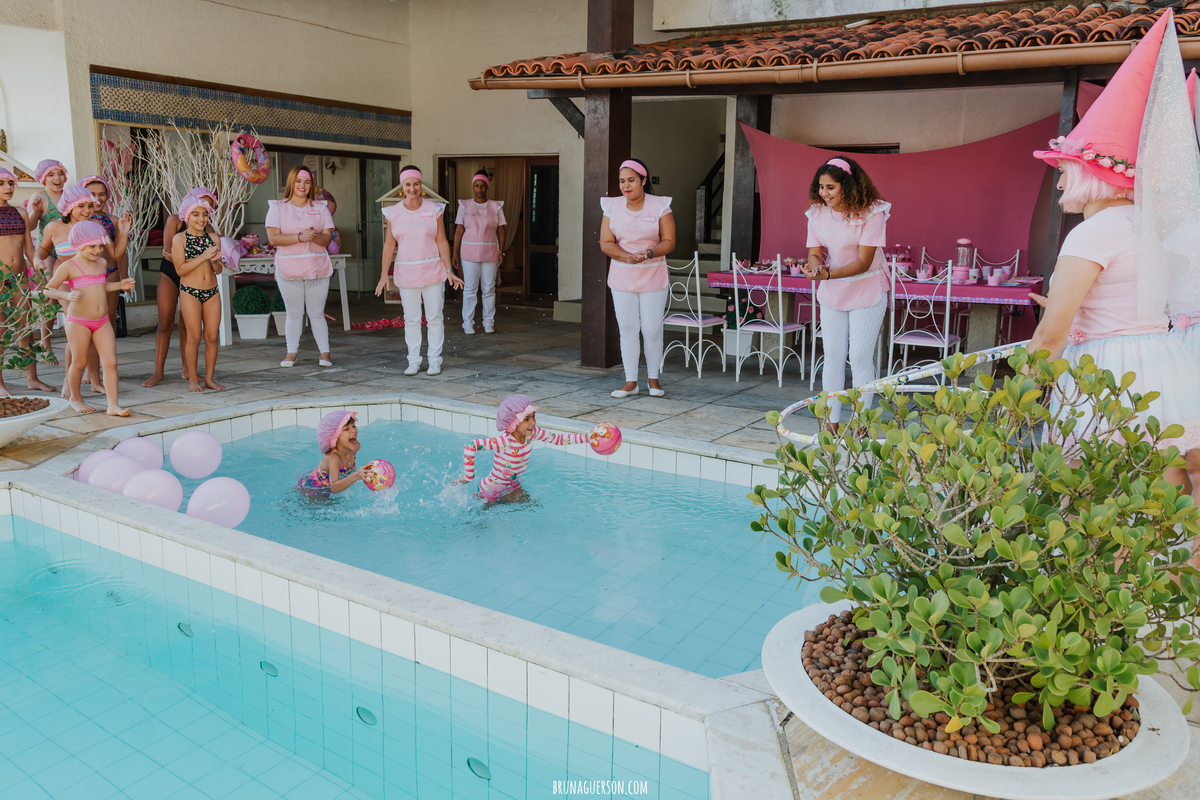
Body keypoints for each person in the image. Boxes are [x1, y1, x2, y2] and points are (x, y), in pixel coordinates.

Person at [1028, 11, 1200, 516]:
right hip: (1164, 363)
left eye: (1065, 170)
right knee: (1165, 489)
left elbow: (1051, 336)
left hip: (1112, 370)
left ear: (1091, 175)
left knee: (1098, 499)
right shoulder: (1146, 226)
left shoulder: (1093, 232)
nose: (1060, 181)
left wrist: (1023, 392)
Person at [799, 157, 890, 431]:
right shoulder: (817, 213)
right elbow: (815, 253)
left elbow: (863, 262)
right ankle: (831, 423)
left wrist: (827, 275)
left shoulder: (872, 212)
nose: (824, 193)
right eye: (821, 187)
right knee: (833, 355)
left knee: (860, 356)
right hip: (833, 290)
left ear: (847, 186)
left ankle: (861, 423)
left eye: (831, 187)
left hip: (867, 286)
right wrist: (815, 268)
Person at [37, 184, 130, 397]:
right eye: (81, 206)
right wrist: (36, 259)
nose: (88, 210)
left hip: (91, 280)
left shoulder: (95, 225)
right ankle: (69, 382)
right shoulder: (53, 227)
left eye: (90, 205)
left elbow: (116, 254)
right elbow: (43, 250)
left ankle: (95, 380)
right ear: (68, 207)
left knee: (95, 327)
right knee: (77, 331)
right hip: (66, 282)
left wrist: (123, 233)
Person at [375, 165, 463, 376]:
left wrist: (449, 270)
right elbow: (389, 245)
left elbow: (442, 241)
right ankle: (413, 361)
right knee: (411, 319)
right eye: (408, 184)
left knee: (435, 317)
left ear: (421, 185)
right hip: (407, 273)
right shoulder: (393, 212)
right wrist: (383, 275)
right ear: (402, 187)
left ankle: (434, 361)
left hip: (433, 271)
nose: (412, 188)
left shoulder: (434, 209)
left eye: (416, 184)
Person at [599, 159, 676, 399]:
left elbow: (669, 241)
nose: (626, 186)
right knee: (628, 328)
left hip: (653, 273)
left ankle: (653, 379)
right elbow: (606, 243)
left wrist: (648, 253)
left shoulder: (660, 205)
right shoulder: (611, 206)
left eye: (631, 180)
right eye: (622, 181)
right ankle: (631, 381)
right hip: (623, 274)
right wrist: (627, 257)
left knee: (652, 329)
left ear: (643, 180)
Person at [42, 220, 134, 415]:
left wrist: (119, 285)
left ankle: (113, 405)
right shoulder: (68, 266)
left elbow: (100, 286)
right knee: (79, 362)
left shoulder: (102, 263)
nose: (98, 250)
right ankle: (75, 398)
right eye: (92, 246)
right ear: (78, 243)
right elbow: (48, 289)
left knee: (110, 362)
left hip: (102, 321)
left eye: (100, 245)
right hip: (79, 322)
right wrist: (67, 295)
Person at [454, 394, 591, 502]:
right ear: (512, 423)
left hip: (512, 485)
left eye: (533, 416)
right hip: (490, 490)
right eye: (526, 419)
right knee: (482, 521)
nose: (533, 422)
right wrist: (468, 476)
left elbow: (559, 439)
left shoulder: (533, 434)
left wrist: (588, 437)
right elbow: (470, 445)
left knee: (532, 505)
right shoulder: (504, 441)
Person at [145, 187, 219, 387]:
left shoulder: (210, 232)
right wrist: (200, 257)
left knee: (189, 326)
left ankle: (188, 370)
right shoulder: (174, 221)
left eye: (208, 207)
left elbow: (215, 263)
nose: (203, 209)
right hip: (171, 273)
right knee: (165, 322)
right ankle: (158, 371)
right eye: (200, 203)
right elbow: (168, 253)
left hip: (196, 279)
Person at [266, 167, 335, 368]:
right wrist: (299, 237)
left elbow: (327, 238)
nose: (302, 185)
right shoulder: (277, 207)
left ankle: (325, 353)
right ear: (291, 182)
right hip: (289, 268)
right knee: (294, 312)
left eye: (306, 182)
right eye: (298, 181)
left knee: (317, 313)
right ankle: (291, 353)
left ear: (311, 185)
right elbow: (273, 238)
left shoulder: (321, 208)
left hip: (316, 268)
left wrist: (315, 236)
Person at [0, 168, 54, 394]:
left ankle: (32, 379)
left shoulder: (20, 212)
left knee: (25, 328)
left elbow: (30, 250)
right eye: (2, 183)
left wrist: (39, 268)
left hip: (20, 276)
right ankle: (0, 383)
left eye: (10, 183)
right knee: (1, 330)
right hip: (0, 278)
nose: (8, 187)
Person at [172, 194, 224, 392]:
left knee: (212, 337)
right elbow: (180, 270)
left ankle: (209, 379)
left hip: (212, 292)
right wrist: (203, 256)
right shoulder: (179, 239)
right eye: (195, 214)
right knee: (193, 337)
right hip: (190, 292)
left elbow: (218, 270)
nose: (201, 219)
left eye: (204, 214)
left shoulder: (213, 238)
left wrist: (214, 259)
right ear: (186, 216)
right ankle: (193, 379)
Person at [453, 170, 506, 334]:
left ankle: (488, 322)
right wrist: (455, 253)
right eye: (477, 185)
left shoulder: (496, 207)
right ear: (473, 186)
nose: (479, 189)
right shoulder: (464, 206)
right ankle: (468, 323)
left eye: (483, 186)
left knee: (489, 288)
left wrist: (501, 251)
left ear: (487, 187)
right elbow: (459, 230)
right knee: (470, 288)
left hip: (490, 253)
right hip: (469, 253)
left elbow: (501, 231)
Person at [79, 175, 128, 326]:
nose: (97, 199)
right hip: (85, 274)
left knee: (110, 318)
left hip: (110, 272)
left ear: (107, 196)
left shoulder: (114, 221)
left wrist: (124, 277)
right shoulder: (78, 221)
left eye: (101, 194)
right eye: (92, 194)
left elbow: (121, 253)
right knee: (88, 319)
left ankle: (110, 343)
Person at [297, 410, 376, 494]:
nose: (353, 430)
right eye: (346, 429)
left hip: (327, 488)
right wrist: (356, 476)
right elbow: (334, 488)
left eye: (353, 426)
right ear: (335, 437)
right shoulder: (333, 457)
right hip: (312, 488)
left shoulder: (355, 448)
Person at [24, 159, 68, 247]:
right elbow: (29, 227)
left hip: (68, 248)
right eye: (51, 175)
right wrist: (35, 212)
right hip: (47, 249)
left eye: (60, 174)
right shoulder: (39, 196)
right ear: (43, 179)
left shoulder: (68, 195)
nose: (57, 178)